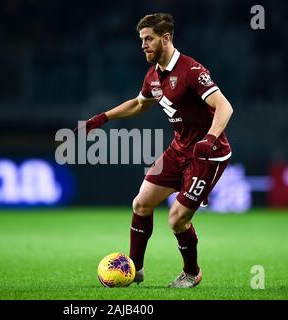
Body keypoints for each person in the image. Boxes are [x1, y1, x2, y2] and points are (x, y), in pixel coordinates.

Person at [76, 13, 233, 288]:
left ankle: (191, 272)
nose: (143, 45)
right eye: (141, 40)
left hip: (207, 153)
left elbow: (225, 107)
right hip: (179, 149)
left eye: (148, 39)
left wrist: (209, 138)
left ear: (166, 38)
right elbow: (139, 104)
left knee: (176, 220)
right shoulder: (154, 76)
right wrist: (101, 119)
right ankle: (135, 268)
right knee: (141, 203)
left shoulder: (191, 71)